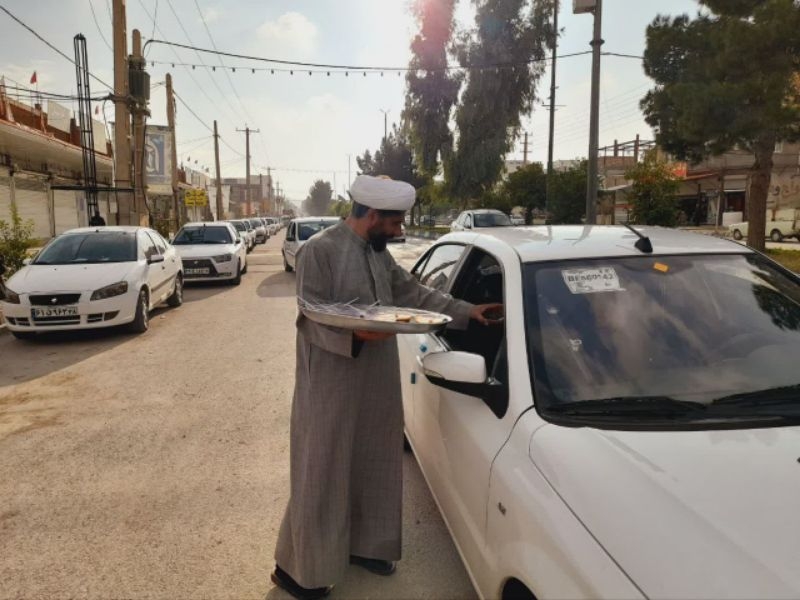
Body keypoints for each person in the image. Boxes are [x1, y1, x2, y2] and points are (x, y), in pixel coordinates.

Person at [272, 175, 503, 600]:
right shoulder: (319, 250)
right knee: (323, 468)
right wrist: (355, 335)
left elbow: (412, 292)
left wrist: (468, 311)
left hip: (377, 374)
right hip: (331, 379)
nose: (400, 230)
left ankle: (366, 546)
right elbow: (310, 316)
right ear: (373, 215)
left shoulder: (378, 253)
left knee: (375, 459)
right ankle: (299, 570)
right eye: (395, 223)